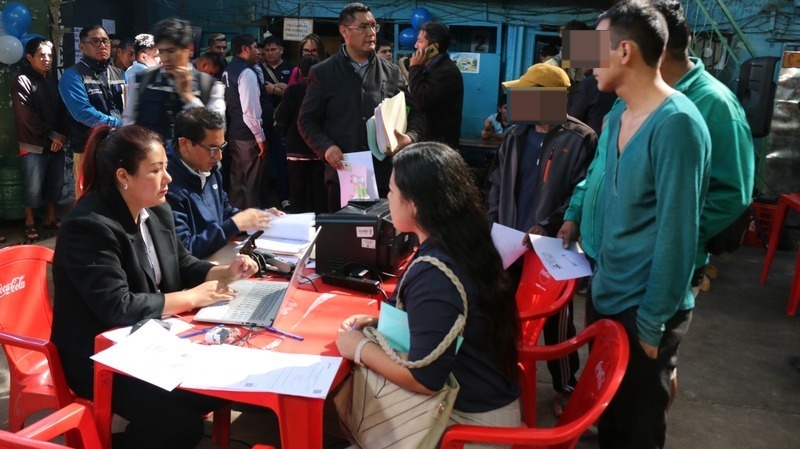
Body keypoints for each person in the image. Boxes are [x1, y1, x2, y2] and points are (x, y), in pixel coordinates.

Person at [51, 124, 258, 449]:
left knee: (217, 392)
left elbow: (183, 264)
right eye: (156, 170)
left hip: (151, 341)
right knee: (180, 427)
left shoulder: (156, 209)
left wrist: (223, 273)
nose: (169, 178)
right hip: (100, 356)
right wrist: (190, 297)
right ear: (124, 177)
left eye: (166, 167)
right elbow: (116, 306)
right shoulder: (89, 226)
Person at [579, 2, 711, 447]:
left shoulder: (676, 125)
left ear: (625, 52)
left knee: (635, 428)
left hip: (643, 308)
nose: (586, 60)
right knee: (610, 418)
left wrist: (652, 322)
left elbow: (678, 235)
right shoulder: (617, 114)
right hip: (608, 292)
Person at [336, 142, 521, 436]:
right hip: (483, 404)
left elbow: (425, 380)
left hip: (471, 429)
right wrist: (374, 323)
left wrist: (359, 348)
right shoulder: (463, 243)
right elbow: (445, 322)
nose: (387, 197)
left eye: (392, 190)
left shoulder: (436, 274)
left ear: (415, 204)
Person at [487, 62, 596, 417]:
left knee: (557, 321)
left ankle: (566, 384)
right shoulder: (516, 136)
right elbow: (496, 184)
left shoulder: (580, 138)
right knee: (505, 312)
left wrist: (549, 225)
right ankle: (506, 376)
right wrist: (493, 224)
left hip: (553, 247)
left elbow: (584, 192)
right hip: (510, 242)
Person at [299, 2, 422, 211]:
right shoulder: (323, 73)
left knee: (382, 239)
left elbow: (416, 114)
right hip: (345, 172)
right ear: (344, 31)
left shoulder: (391, 72)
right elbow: (306, 120)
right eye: (363, 27)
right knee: (346, 238)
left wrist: (409, 138)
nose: (371, 33)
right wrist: (326, 147)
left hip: (384, 176)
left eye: (373, 26)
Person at [166, 108, 282, 258]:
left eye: (222, 147)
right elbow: (185, 250)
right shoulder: (165, 184)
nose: (219, 157)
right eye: (213, 148)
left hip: (219, 256)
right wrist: (234, 224)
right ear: (184, 144)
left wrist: (258, 217)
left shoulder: (209, 168)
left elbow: (225, 213)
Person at [123, 18, 225, 141]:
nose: (165, 58)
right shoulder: (141, 81)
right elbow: (128, 125)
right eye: (161, 51)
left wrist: (189, 98)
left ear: (189, 49)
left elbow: (217, 131)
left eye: (171, 51)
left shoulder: (210, 86)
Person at [59, 24, 126, 199]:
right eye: (95, 41)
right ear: (81, 47)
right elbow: (82, 112)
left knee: (118, 197)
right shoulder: (72, 76)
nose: (102, 46)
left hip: (118, 148)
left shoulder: (120, 74)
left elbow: (130, 107)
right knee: (88, 199)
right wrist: (119, 124)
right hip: (87, 150)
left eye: (105, 41)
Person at [12, 37, 68, 241]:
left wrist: (62, 135)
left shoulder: (52, 81)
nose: (47, 59)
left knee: (55, 183)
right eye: (41, 55)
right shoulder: (22, 81)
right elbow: (26, 117)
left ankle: (50, 219)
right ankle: (29, 223)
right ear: (29, 57)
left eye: (50, 55)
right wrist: (53, 134)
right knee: (33, 186)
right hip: (34, 144)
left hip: (56, 144)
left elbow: (63, 111)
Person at [222, 33, 269, 210]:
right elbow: (251, 110)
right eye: (255, 47)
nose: (258, 51)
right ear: (245, 49)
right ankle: (251, 225)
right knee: (251, 182)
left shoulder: (228, 70)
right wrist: (260, 138)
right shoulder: (247, 73)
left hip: (233, 132)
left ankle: (236, 223)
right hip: (248, 135)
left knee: (236, 180)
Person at [275, 55, 326, 213]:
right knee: (319, 193)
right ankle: (320, 227)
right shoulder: (325, 90)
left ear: (300, 70)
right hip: (320, 148)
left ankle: (298, 229)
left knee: (297, 193)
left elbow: (281, 117)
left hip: (296, 148)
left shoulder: (293, 90)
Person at [408, 21, 464, 149]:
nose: (416, 46)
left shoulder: (446, 72)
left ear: (433, 48)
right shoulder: (430, 68)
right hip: (426, 142)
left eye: (420, 41)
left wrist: (415, 68)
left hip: (438, 146)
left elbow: (421, 100)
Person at [262, 35, 294, 210]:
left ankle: (284, 197)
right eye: (266, 50)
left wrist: (274, 90)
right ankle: (264, 198)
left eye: (273, 49)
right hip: (263, 123)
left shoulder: (291, 69)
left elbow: (293, 95)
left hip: (282, 124)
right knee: (263, 163)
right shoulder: (259, 69)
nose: (270, 53)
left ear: (281, 50)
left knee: (283, 162)